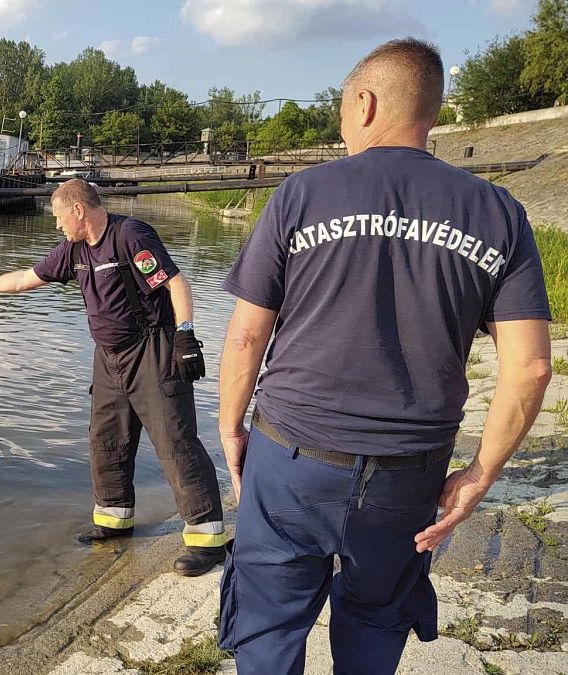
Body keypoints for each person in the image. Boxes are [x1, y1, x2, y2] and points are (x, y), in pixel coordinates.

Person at [216, 38, 552, 674]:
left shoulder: (301, 195)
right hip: (407, 474)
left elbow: (243, 338)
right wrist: (479, 476)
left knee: (267, 626)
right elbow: (532, 367)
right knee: (375, 620)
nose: (342, 127)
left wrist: (232, 428)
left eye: (343, 111)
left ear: (364, 103)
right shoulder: (496, 211)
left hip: (290, 458)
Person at [0, 179, 227, 576]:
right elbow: (25, 279)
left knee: (174, 440)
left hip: (152, 350)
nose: (57, 226)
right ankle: (114, 519)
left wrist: (186, 334)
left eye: (59, 218)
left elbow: (176, 283)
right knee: (106, 438)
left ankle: (207, 537)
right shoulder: (73, 251)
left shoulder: (130, 236)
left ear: (78, 211)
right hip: (107, 358)